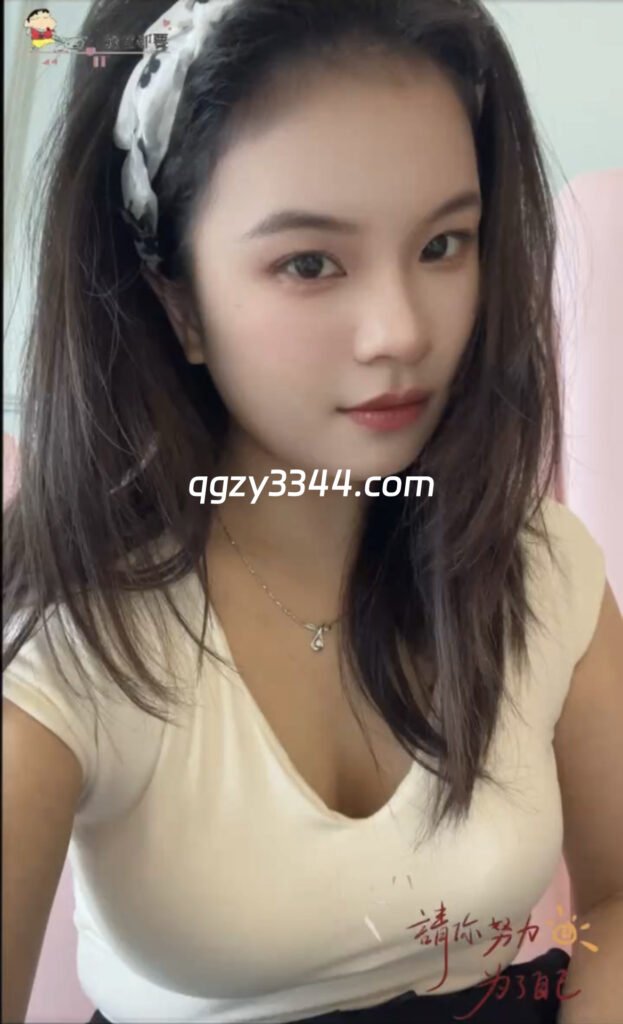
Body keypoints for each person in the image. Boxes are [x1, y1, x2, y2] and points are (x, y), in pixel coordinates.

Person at [3, 0, 622, 1022]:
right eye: (308, 263)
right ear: (178, 301)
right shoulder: (69, 639)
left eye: (443, 244)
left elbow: (615, 897)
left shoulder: (541, 570)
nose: (400, 332)